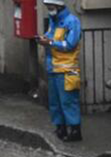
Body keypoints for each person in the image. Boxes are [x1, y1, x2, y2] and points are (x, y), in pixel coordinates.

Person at [37, 0, 82, 142]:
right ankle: (60, 127)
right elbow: (51, 36)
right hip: (53, 68)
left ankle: (75, 130)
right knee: (55, 102)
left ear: (58, 6)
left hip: (67, 69)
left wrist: (49, 42)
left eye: (50, 7)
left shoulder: (72, 21)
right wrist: (44, 39)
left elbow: (70, 44)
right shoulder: (53, 20)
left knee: (68, 101)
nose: (48, 9)